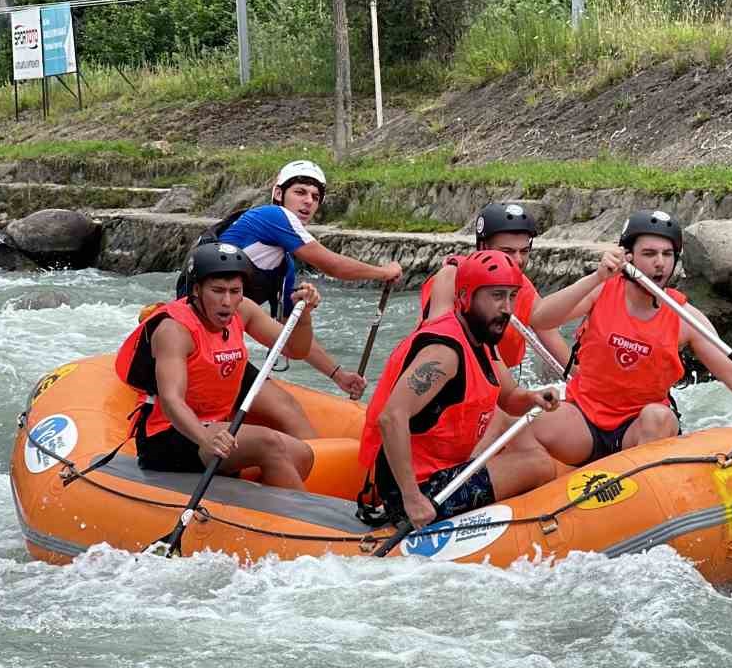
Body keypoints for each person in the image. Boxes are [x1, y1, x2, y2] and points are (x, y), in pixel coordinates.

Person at [528, 209, 732, 466]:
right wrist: (596, 277)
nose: (660, 262)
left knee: (658, 416)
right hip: (584, 419)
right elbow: (541, 320)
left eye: (667, 254)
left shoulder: (686, 317)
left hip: (638, 428)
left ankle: (642, 485)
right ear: (628, 257)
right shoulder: (600, 290)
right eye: (649, 254)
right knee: (534, 421)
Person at [359, 250, 561, 530]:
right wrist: (413, 499)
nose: (507, 308)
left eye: (512, 296)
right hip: (420, 489)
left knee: (506, 419)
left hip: (442, 469)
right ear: (465, 298)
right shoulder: (444, 352)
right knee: (538, 465)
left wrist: (534, 398)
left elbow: (509, 399)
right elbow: (391, 417)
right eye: (496, 296)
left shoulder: (481, 338)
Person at [116, 243, 321, 489]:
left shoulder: (242, 310)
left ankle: (262, 506)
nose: (227, 301)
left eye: (235, 291)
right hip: (169, 435)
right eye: (217, 291)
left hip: (215, 427)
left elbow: (296, 350)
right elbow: (171, 401)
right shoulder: (174, 330)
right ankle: (295, 524)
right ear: (196, 290)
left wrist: (305, 315)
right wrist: (205, 438)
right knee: (268, 442)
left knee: (302, 454)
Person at [200, 160, 403, 398]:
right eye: (300, 192)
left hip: (220, 347)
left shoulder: (284, 267)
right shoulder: (272, 215)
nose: (309, 201)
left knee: (287, 409)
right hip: (196, 338)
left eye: (315, 197)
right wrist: (384, 272)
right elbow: (332, 265)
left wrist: (337, 375)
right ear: (278, 193)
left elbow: (292, 338)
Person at [418, 202, 573, 372]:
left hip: (499, 381)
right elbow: (437, 346)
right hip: (458, 378)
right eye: (507, 251)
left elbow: (546, 325)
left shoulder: (521, 285)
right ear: (483, 247)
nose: (518, 260)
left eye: (524, 251)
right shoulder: (450, 279)